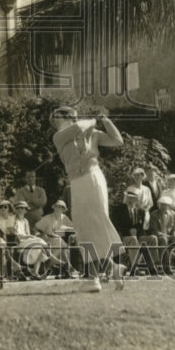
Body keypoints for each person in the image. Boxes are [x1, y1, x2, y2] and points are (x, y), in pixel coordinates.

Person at [50, 106, 124, 281]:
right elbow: (78, 128)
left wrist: (105, 120)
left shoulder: (91, 132)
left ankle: (94, 278)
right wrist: (93, 119)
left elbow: (117, 140)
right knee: (84, 227)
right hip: (77, 182)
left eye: (57, 117)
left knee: (95, 223)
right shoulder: (59, 136)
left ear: (68, 117)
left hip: (92, 176)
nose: (55, 122)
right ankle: (112, 268)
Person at [35, 199, 76, 276]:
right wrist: (43, 234)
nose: (58, 209)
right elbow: (36, 228)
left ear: (63, 209)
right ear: (53, 208)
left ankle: (47, 269)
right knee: (62, 245)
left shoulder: (64, 218)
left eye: (60, 207)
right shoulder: (48, 218)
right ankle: (69, 267)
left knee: (61, 247)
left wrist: (69, 231)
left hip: (58, 241)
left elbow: (73, 228)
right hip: (48, 239)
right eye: (56, 207)